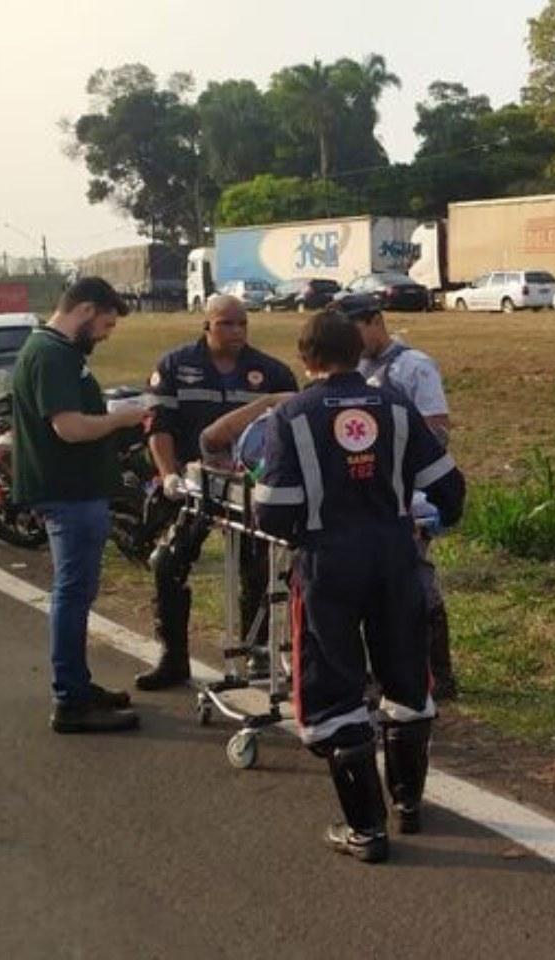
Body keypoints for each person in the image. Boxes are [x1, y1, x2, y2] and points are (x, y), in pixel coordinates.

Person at [254, 304, 465, 864]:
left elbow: (273, 510)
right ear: (357, 350)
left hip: (330, 565)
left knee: (334, 686)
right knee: (405, 676)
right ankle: (408, 804)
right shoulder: (396, 405)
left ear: (306, 358)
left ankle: (367, 832)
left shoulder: (292, 416)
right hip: (396, 558)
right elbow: (448, 487)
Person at [136, 295, 299, 691]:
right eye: (226, 324)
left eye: (242, 324)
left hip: (249, 487)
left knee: (258, 569)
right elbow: (159, 426)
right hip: (193, 485)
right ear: (207, 325)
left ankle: (257, 650)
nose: (237, 332)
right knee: (167, 562)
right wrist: (169, 475)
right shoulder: (175, 366)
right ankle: (172, 657)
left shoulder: (272, 372)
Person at [11, 277, 148, 734]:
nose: (107, 334)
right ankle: (70, 698)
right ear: (86, 310)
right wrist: (122, 419)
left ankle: (77, 684)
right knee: (72, 593)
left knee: (76, 592)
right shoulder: (52, 355)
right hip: (69, 493)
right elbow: (69, 428)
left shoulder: (55, 351)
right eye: (106, 323)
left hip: (75, 490)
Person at [351, 298, 459, 699]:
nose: (352, 341)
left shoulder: (414, 366)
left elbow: (438, 432)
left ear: (376, 322)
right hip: (369, 496)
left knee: (417, 580)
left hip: (410, 493)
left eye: (356, 329)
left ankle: (439, 673)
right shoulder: (356, 368)